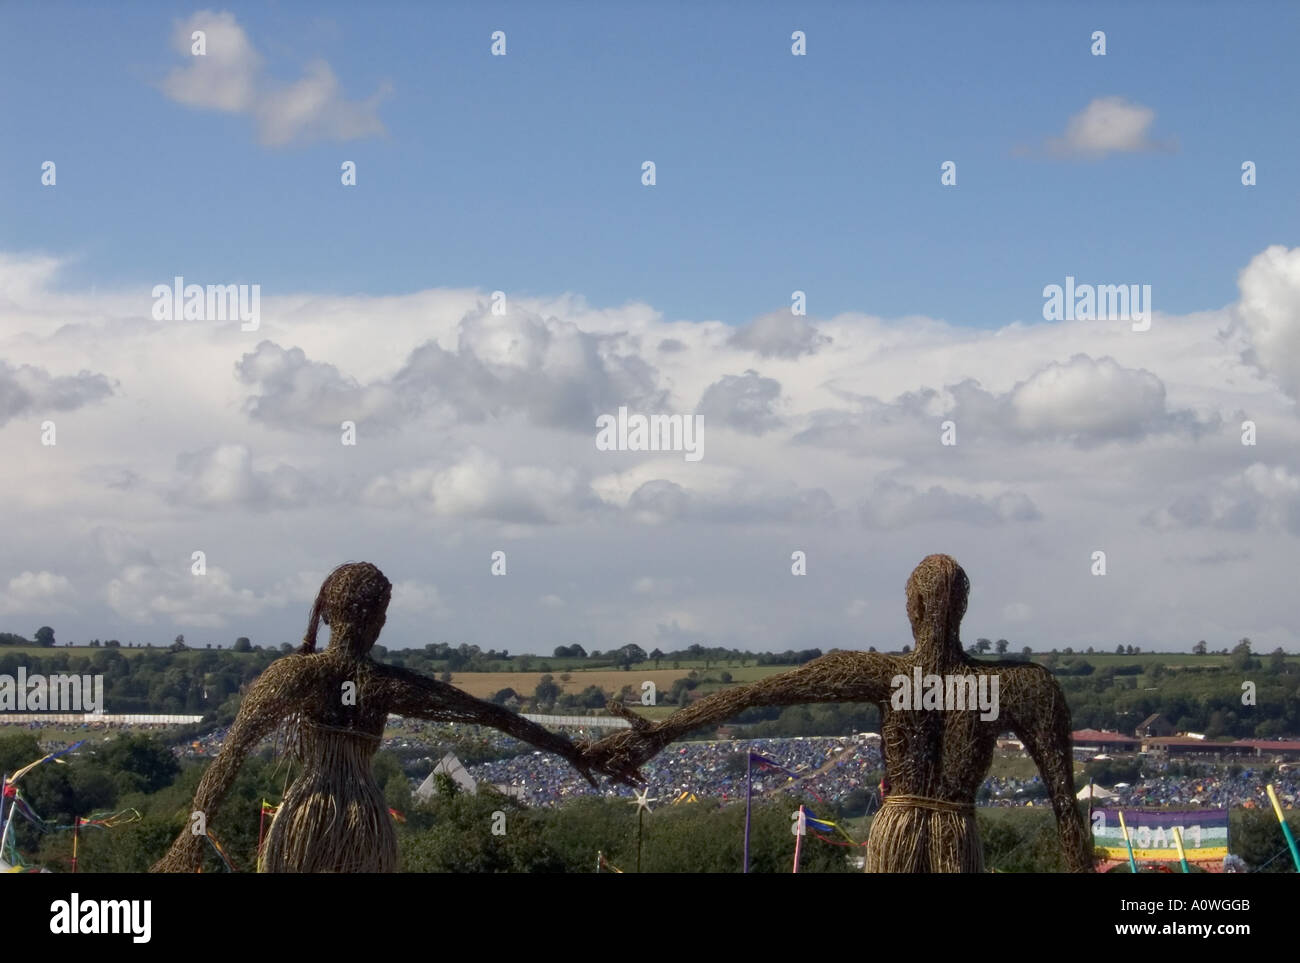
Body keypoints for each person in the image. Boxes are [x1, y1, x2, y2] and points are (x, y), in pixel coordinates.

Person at [587, 554, 1094, 872]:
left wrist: (663, 731)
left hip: (897, 829)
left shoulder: (882, 674)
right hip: (956, 837)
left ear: (912, 608)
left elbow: (756, 693)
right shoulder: (1020, 686)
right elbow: (1064, 809)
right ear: (963, 607)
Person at [152, 561, 620, 872]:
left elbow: (229, 756)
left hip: (309, 812)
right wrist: (572, 750)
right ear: (378, 619)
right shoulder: (385, 683)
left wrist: (190, 838)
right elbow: (492, 715)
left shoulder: (296, 673)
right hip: (362, 819)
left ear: (328, 614)